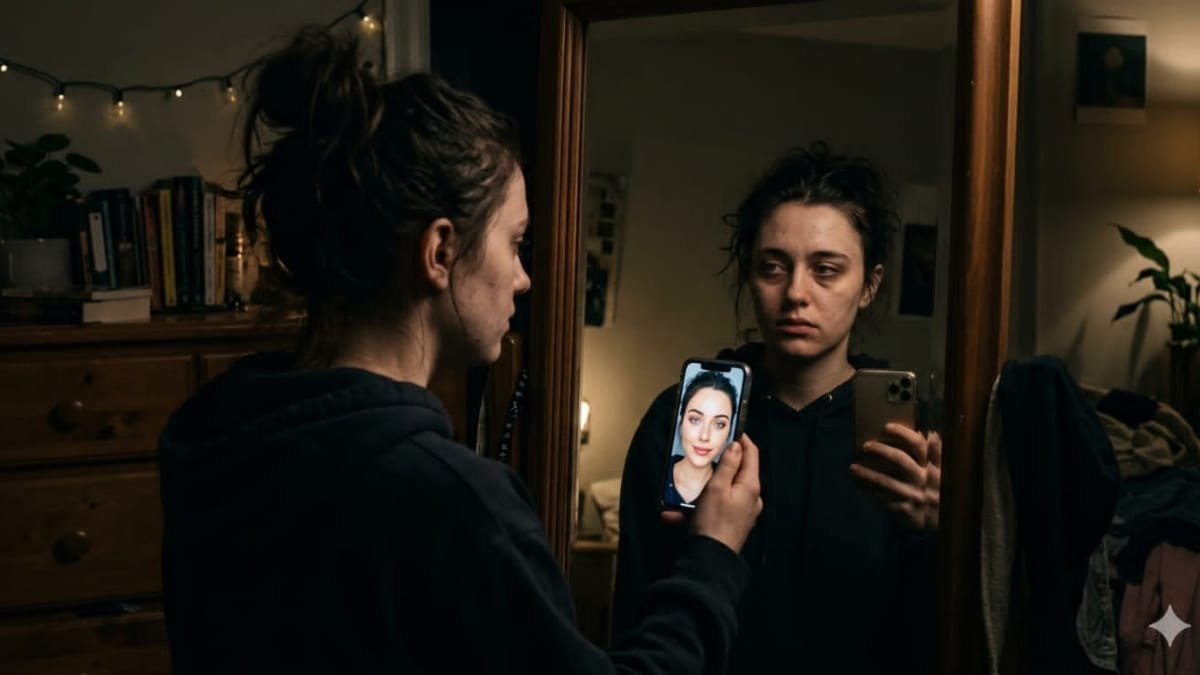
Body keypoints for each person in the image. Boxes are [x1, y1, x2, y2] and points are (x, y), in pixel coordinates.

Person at [157, 27, 762, 675]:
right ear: (441, 250)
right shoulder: (451, 502)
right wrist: (712, 558)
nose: (524, 278)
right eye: (515, 241)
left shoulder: (216, 431)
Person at [613, 143, 943, 675]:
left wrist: (939, 533)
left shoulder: (914, 438)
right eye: (773, 267)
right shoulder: (685, 417)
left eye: (826, 270)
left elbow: (942, 632)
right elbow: (637, 609)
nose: (796, 293)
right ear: (749, 274)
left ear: (870, 285)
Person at [666, 371, 738, 506]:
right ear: (681, 421)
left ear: (729, 431)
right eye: (695, 420)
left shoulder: (734, 491)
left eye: (719, 424)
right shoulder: (656, 471)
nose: (704, 436)